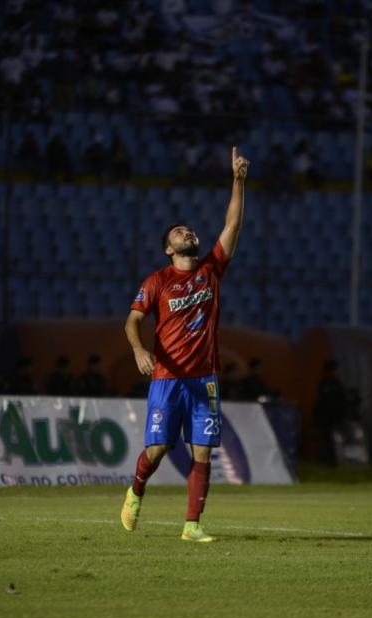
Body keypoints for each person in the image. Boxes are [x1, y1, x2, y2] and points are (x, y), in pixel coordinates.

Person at [121, 146, 249, 543]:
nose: (187, 232)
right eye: (179, 232)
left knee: (203, 452)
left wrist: (238, 181)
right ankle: (136, 490)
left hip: (204, 379)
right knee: (157, 451)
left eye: (188, 230)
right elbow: (133, 321)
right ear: (168, 248)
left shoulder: (212, 270)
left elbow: (232, 225)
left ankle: (192, 525)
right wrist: (139, 350)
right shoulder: (156, 282)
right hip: (167, 377)